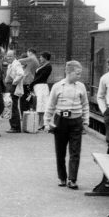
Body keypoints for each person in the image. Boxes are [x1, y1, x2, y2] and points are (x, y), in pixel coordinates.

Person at [44, 61, 90, 189]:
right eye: (77, 74)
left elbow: (85, 105)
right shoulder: (57, 86)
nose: (79, 76)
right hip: (61, 121)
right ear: (69, 72)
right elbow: (50, 105)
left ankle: (72, 179)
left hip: (76, 121)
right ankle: (62, 177)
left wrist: (85, 122)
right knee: (60, 151)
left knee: (75, 151)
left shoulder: (81, 87)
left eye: (80, 74)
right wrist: (47, 122)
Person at [3, 50, 25, 133]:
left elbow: (21, 74)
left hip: (12, 88)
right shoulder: (11, 64)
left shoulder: (16, 64)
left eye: (10, 56)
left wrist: (14, 83)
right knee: (11, 106)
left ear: (14, 56)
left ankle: (15, 127)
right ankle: (13, 126)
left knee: (13, 107)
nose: (8, 58)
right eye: (7, 56)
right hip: (10, 87)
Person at [31, 51, 53, 130]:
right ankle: (40, 123)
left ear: (45, 58)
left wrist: (32, 83)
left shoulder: (48, 66)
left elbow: (41, 77)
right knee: (39, 104)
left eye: (41, 57)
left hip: (42, 87)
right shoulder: (44, 66)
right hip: (38, 87)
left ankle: (42, 123)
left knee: (42, 104)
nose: (40, 58)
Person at [19, 48, 40, 113]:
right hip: (31, 81)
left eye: (27, 53)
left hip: (27, 81)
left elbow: (19, 61)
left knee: (23, 99)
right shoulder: (36, 60)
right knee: (28, 99)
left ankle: (24, 114)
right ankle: (28, 113)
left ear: (30, 52)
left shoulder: (31, 59)